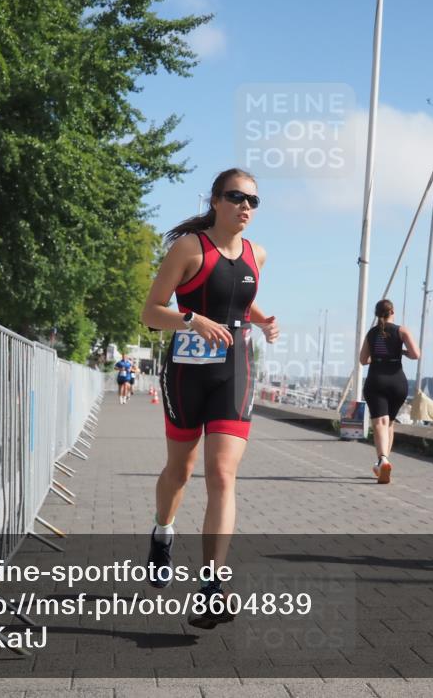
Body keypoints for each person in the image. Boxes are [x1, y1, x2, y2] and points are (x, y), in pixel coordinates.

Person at [140, 167, 279, 628]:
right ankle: (163, 532)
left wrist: (262, 320)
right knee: (180, 470)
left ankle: (212, 587)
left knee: (222, 473)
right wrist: (190, 319)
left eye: (253, 201)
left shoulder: (258, 253)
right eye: (237, 197)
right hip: (186, 372)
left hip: (234, 372)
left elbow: (238, 295)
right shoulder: (188, 248)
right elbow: (151, 311)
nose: (246, 207)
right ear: (216, 200)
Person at [359, 299, 420, 484]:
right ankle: (384, 462)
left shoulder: (371, 333)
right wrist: (399, 353)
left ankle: (382, 459)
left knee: (380, 422)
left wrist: (378, 358)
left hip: (376, 378)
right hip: (397, 382)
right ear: (392, 311)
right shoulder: (402, 331)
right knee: (390, 423)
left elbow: (363, 360)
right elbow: (416, 354)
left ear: (377, 314)